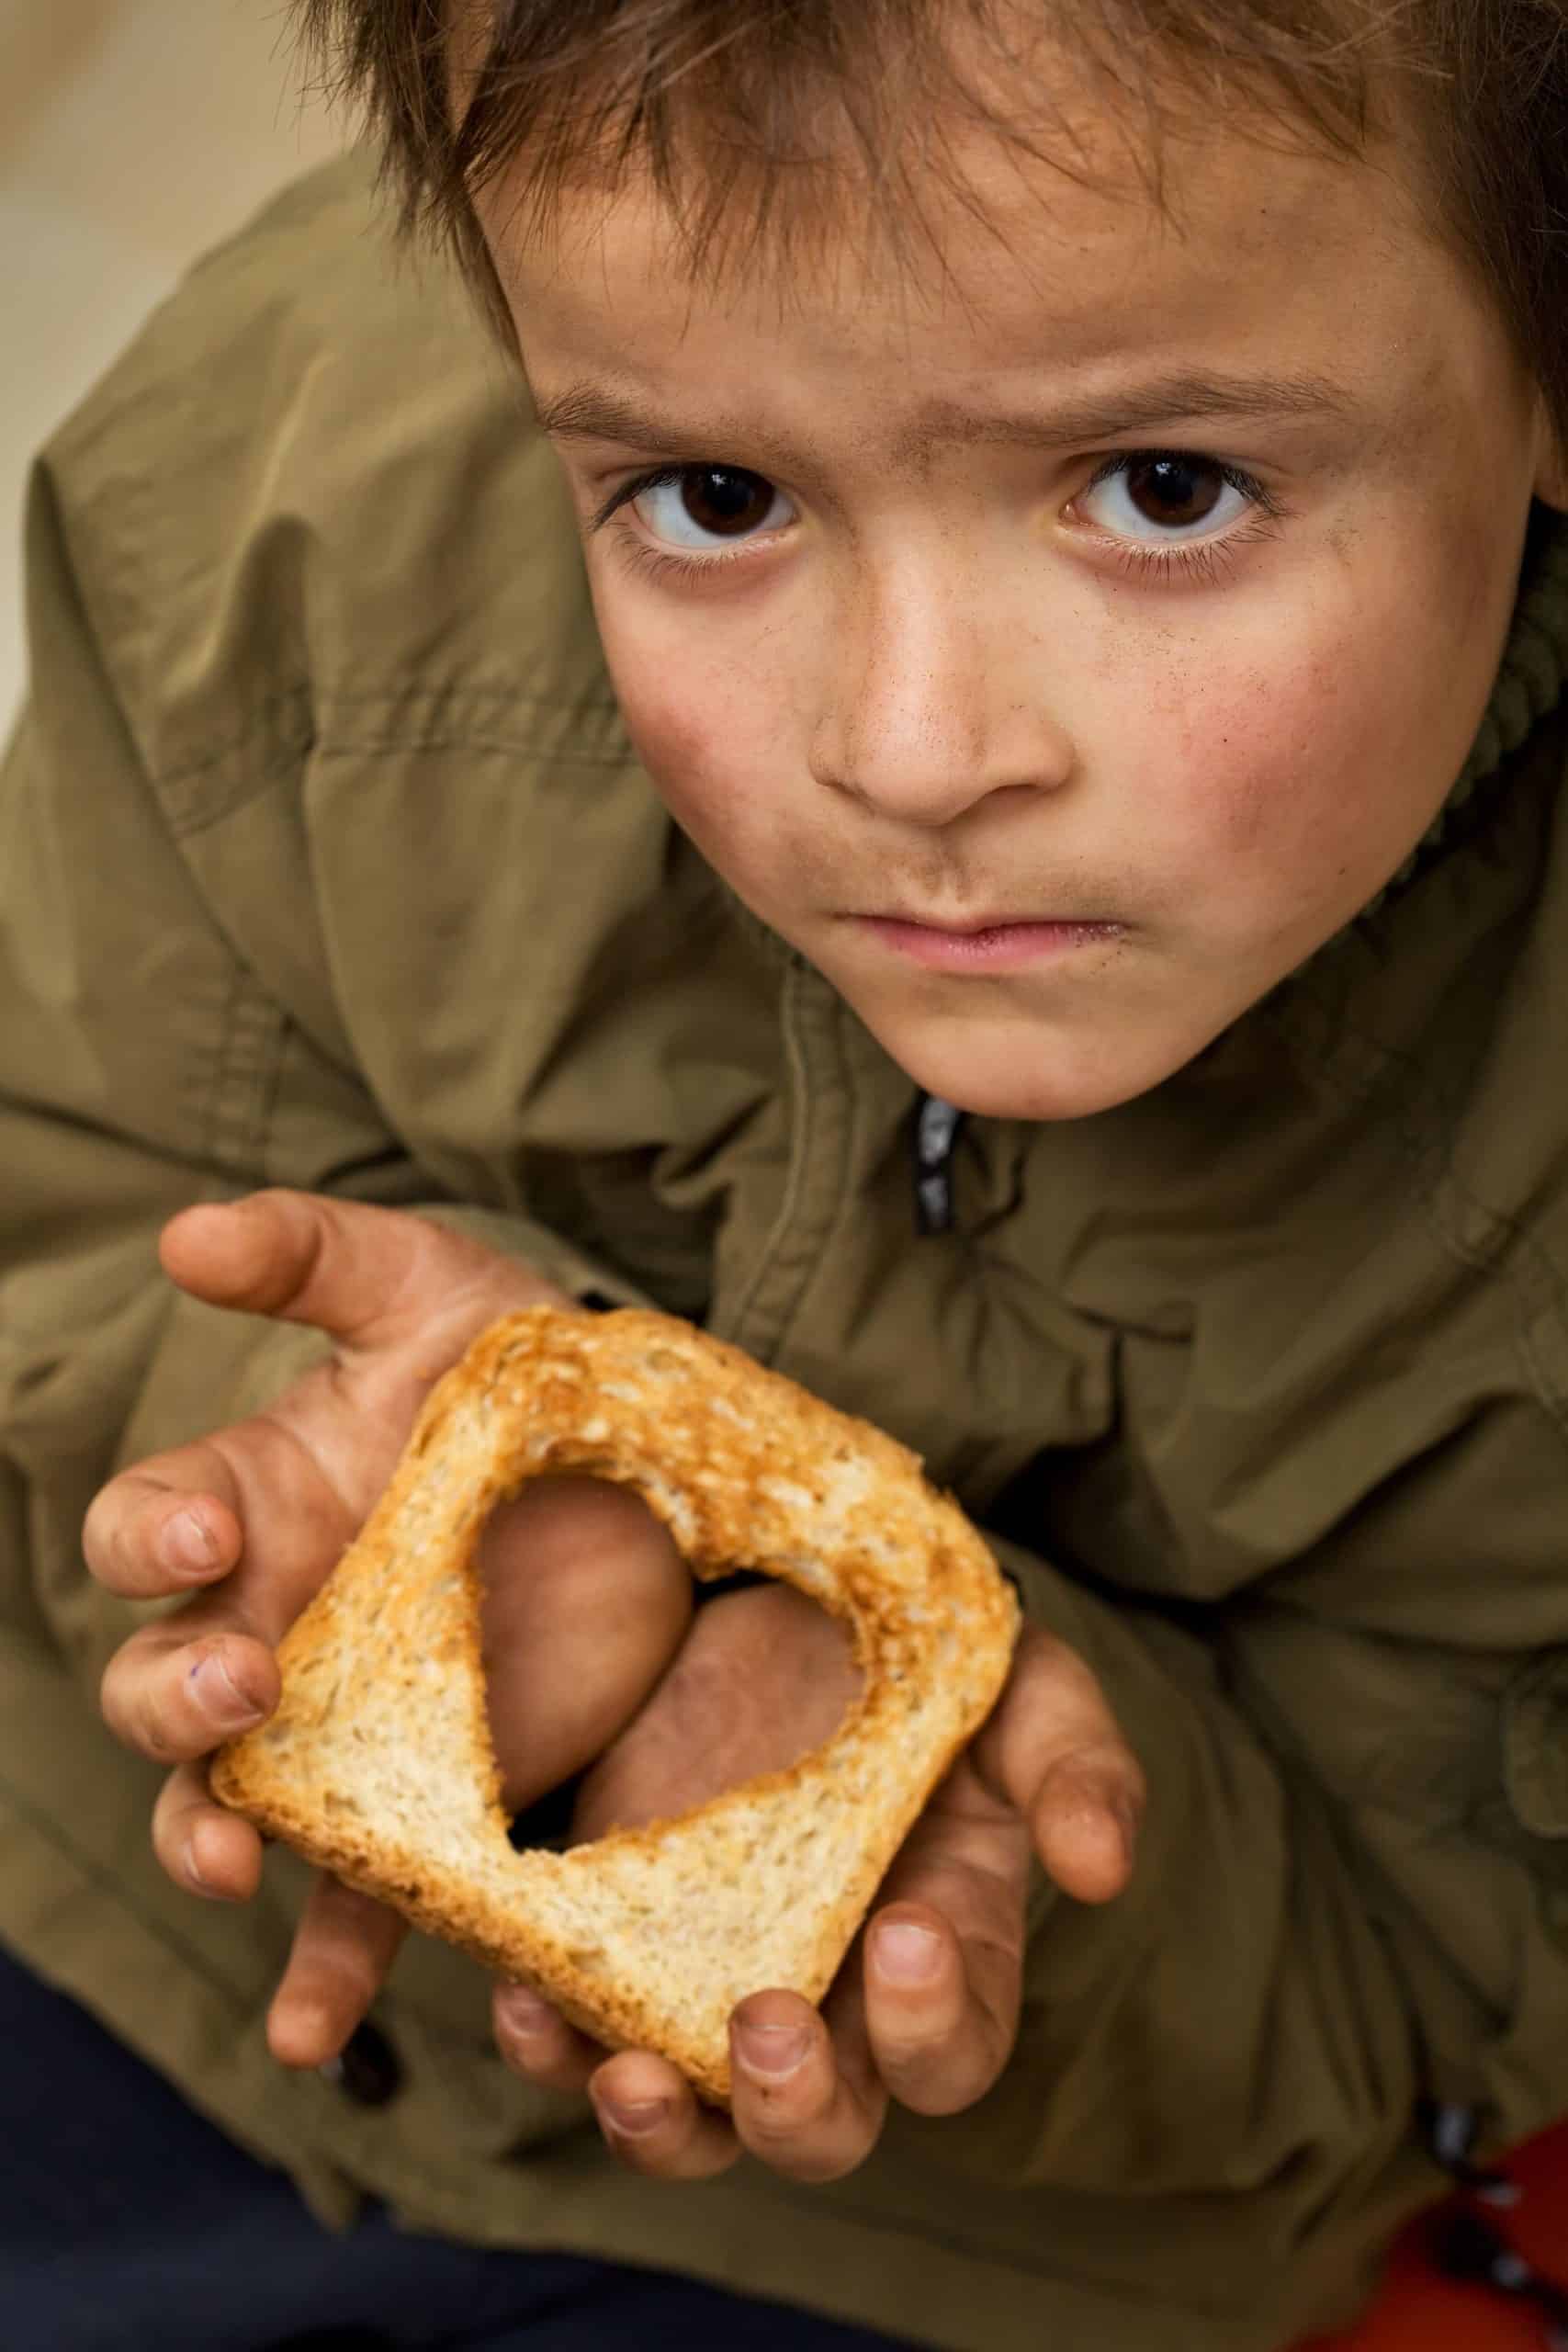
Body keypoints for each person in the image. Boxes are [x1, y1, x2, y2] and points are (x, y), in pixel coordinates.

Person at [3, 0, 1567, 2345]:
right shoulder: (281, 509)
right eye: (713, 499)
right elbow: (66, 1181)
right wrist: (295, 1473)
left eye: (1161, 487)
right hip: (91, 1897)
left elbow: (1426, 1966)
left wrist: (977, 1839)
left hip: (963, 2233)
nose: (908, 749)